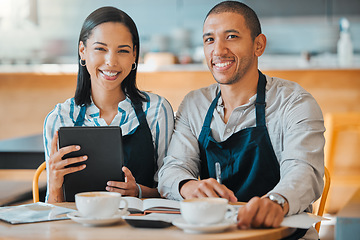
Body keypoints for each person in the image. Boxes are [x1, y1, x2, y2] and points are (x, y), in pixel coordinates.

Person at [158, 1, 324, 238]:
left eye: (232, 36)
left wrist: (276, 202)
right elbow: (173, 169)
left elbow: (304, 171)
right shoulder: (194, 104)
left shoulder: (294, 103)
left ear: (259, 45)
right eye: (209, 40)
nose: (218, 50)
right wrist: (189, 186)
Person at [43, 6, 174, 203]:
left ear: (134, 56)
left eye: (122, 51)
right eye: (100, 49)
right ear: (82, 51)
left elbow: (171, 193)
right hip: (80, 231)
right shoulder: (60, 118)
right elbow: (53, 211)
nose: (111, 61)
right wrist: (53, 184)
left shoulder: (156, 111)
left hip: (139, 229)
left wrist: (138, 192)